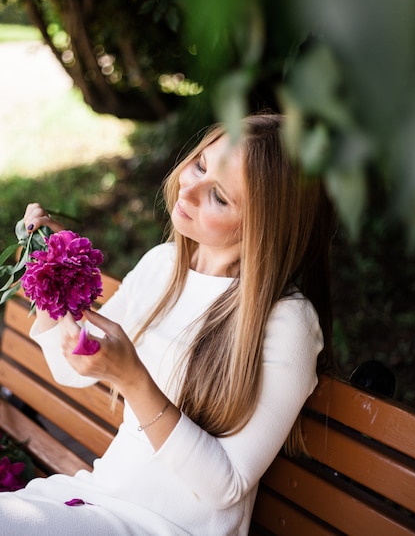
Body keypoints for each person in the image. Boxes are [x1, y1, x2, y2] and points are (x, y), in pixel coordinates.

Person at [0, 113, 333, 535]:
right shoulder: (163, 266)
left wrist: (134, 380)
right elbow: (70, 369)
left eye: (219, 197)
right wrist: (53, 274)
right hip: (98, 500)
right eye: (200, 165)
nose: (188, 191)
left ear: (264, 229)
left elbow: (226, 487)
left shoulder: (287, 323)